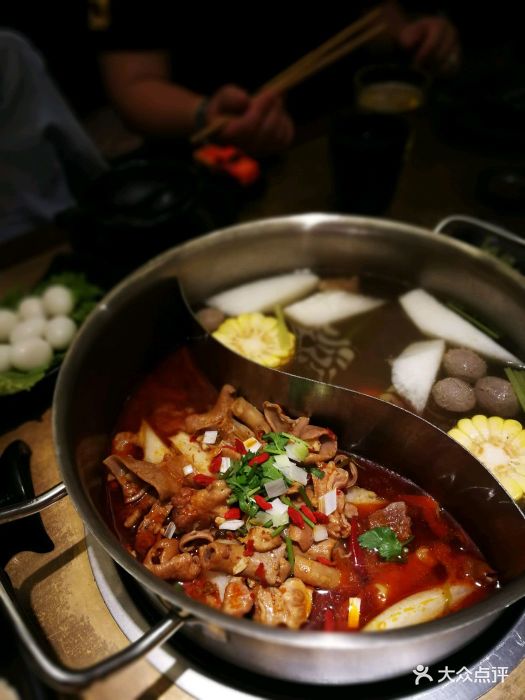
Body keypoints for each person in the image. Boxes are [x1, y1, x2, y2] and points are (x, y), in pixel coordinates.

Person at [91, 1, 460, 156]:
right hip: (212, 160)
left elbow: (378, 17)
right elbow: (133, 84)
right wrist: (206, 114)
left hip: (344, 134)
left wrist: (415, 36)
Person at [0, 29, 107, 242]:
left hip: (47, 231)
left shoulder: (7, 51)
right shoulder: (7, 50)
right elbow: (84, 156)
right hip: (47, 232)